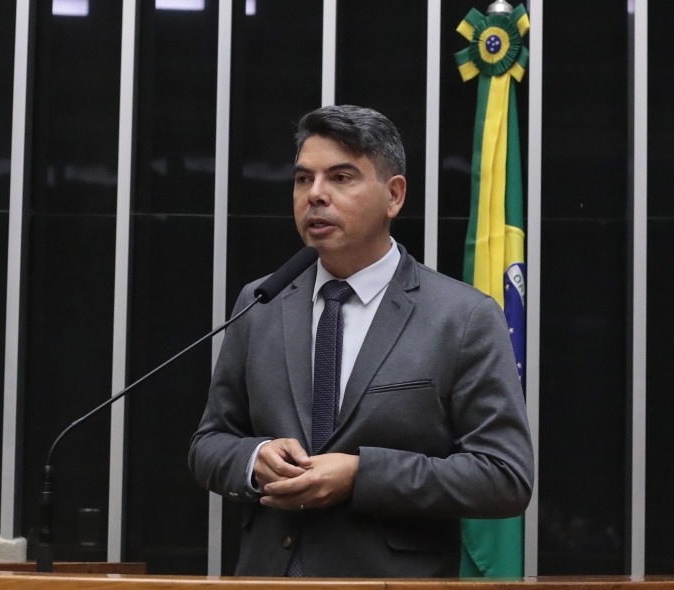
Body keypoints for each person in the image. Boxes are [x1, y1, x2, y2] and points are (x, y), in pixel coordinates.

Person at [189, 104, 534, 578]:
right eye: (303, 179)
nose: (315, 194)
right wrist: (252, 460)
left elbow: (504, 477)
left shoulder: (462, 316)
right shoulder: (262, 301)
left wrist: (360, 475)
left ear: (394, 195)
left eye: (341, 177)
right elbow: (209, 443)